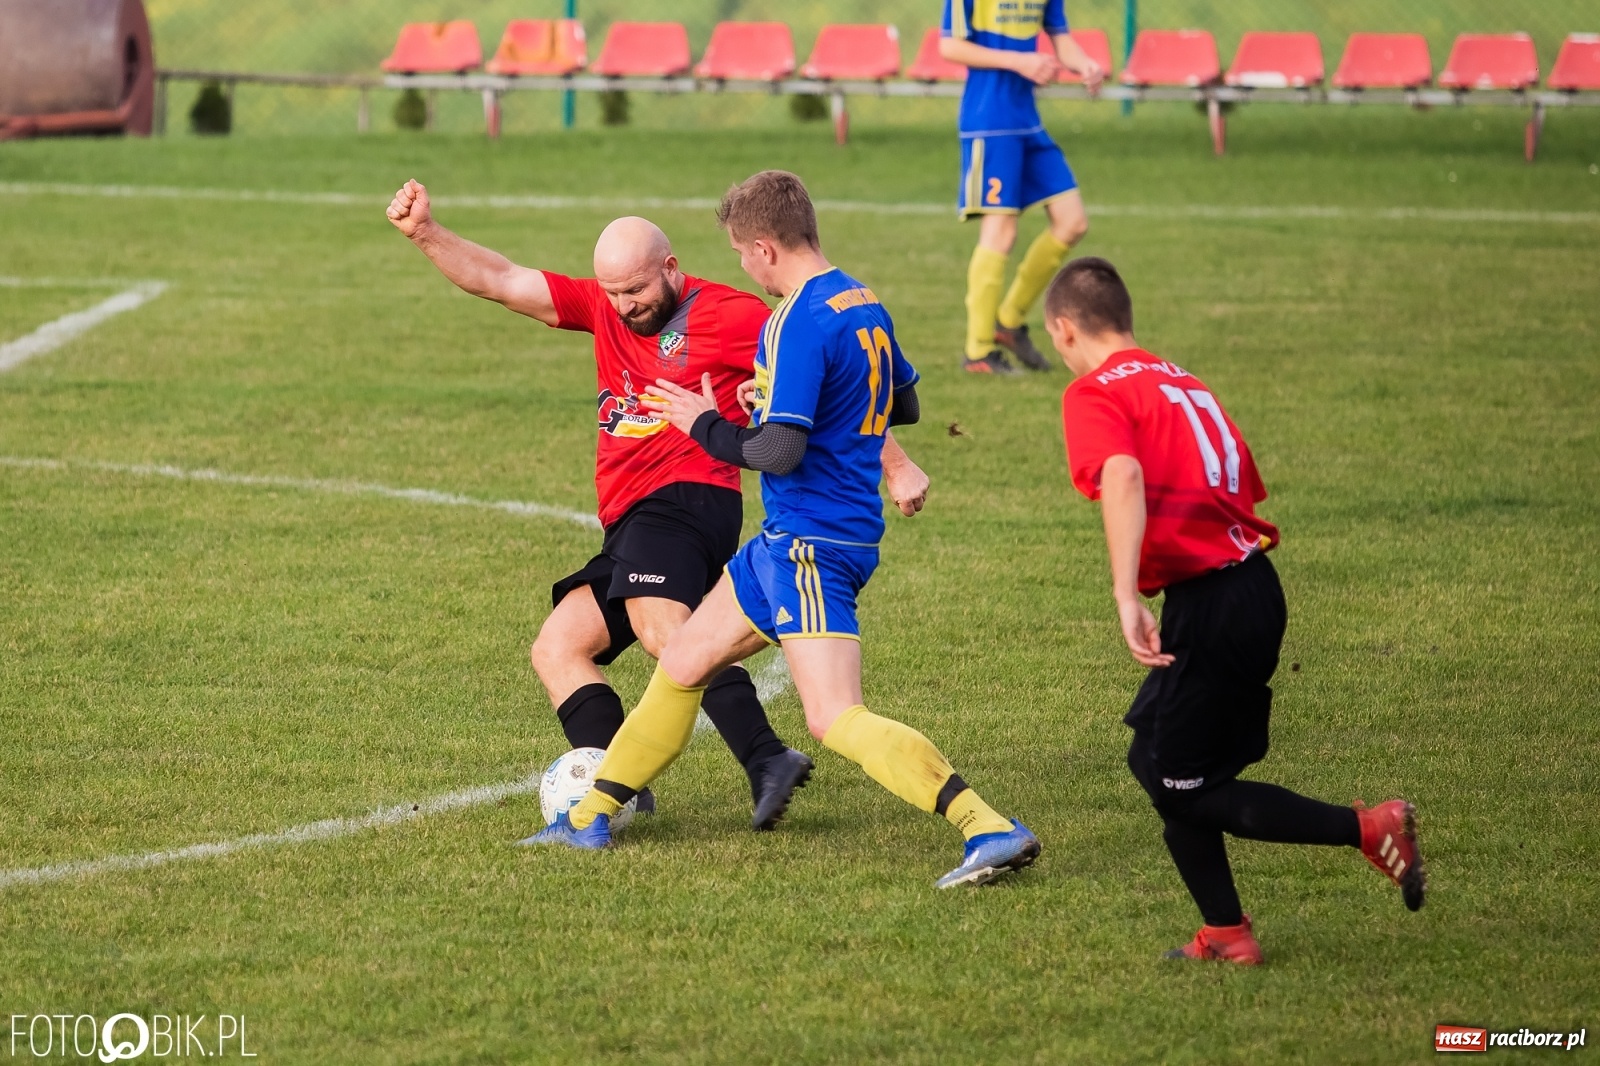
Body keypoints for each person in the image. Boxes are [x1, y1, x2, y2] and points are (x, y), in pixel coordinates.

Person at [528, 170, 1041, 889]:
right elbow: (907, 402)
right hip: (782, 543)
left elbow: (778, 451)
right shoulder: (862, 299)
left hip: (814, 542)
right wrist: (771, 396)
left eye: (740, 252)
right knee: (681, 666)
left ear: (764, 248)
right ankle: (587, 821)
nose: (739, 266)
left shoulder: (797, 319)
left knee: (833, 717)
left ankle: (988, 827)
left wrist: (703, 422)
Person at [385, 179, 833, 830]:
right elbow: (501, 280)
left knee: (663, 633)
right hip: (631, 521)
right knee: (560, 647)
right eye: (614, 293)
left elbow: (821, 370)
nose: (624, 306)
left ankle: (765, 758)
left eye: (637, 291)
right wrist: (426, 232)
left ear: (670, 268)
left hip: (688, 497)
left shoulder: (733, 315)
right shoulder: (602, 305)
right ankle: (624, 791)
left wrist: (895, 462)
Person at [1044, 256, 1425, 963]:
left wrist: (1128, 593)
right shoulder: (1183, 379)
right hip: (1244, 586)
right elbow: (1241, 481)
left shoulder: (1095, 392)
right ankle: (1225, 931)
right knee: (1153, 757)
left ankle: (1370, 828)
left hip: (1216, 603)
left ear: (1064, 331)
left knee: (1185, 787)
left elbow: (1123, 474)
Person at [939, 0, 1103, 374]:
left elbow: (1061, 38)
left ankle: (1009, 321)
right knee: (1000, 231)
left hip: (1027, 120)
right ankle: (978, 352)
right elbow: (950, 46)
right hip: (990, 120)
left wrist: (1085, 64)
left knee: (1072, 221)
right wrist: (1019, 61)